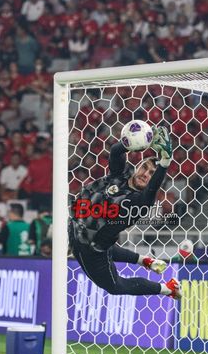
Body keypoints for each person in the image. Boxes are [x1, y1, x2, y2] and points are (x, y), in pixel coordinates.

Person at [69, 126, 181, 299]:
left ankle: (168, 289)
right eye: (144, 168)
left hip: (92, 251)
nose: (145, 174)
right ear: (138, 167)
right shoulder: (119, 174)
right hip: (75, 231)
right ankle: (146, 261)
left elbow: (151, 191)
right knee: (105, 242)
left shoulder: (138, 203)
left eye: (152, 173)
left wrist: (165, 163)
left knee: (115, 286)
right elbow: (115, 151)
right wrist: (136, 143)